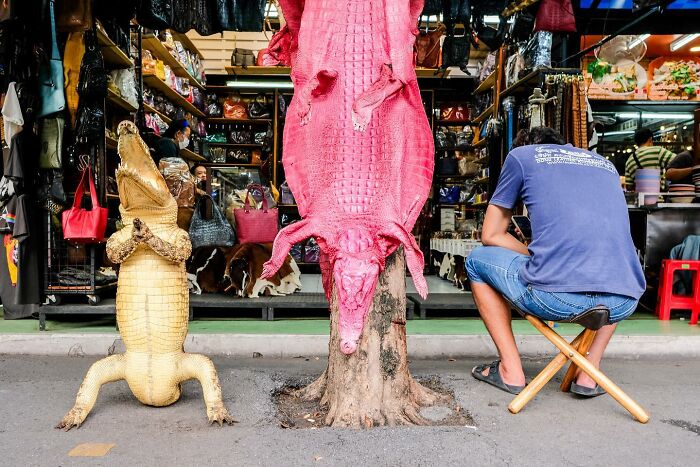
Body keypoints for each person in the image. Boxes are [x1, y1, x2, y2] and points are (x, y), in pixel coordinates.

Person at [466, 127, 645, 397]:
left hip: (553, 297)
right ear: (566, 145)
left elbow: (491, 234)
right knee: (615, 267)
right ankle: (588, 373)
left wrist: (534, 253)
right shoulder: (605, 165)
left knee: (476, 260)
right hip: (623, 303)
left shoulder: (521, 156)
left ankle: (511, 370)